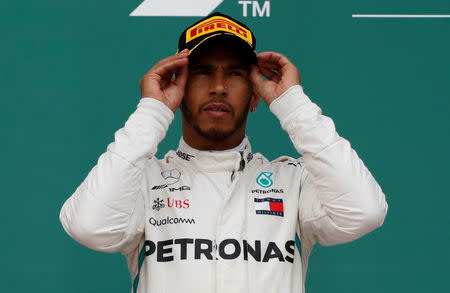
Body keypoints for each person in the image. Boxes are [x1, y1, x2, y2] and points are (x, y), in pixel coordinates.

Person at [60, 12, 388, 293]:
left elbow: (365, 211)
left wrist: (293, 105)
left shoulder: (293, 181)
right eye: (203, 72)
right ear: (178, 88)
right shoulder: (142, 180)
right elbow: (88, 226)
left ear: (256, 95)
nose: (219, 87)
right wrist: (152, 111)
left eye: (234, 73)